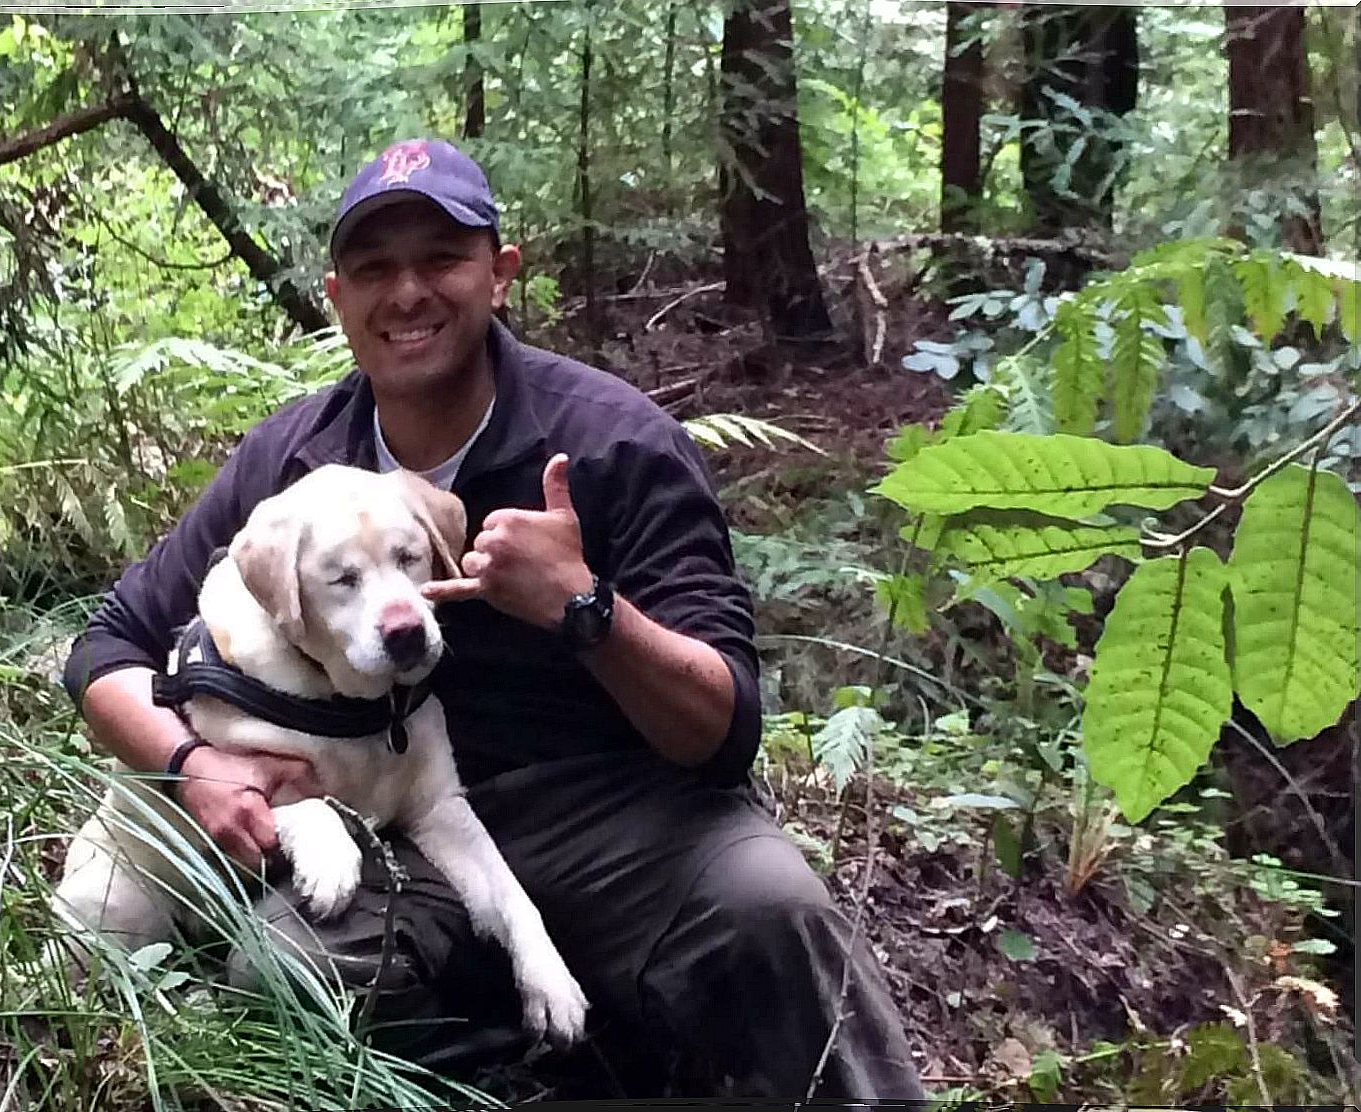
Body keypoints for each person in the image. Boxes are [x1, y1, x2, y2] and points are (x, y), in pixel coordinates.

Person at [59, 137, 926, 1102]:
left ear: (499, 275)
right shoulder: (295, 468)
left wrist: (585, 609)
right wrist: (194, 766)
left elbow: (723, 731)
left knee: (773, 908)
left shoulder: (614, 442)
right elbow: (106, 646)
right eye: (375, 268)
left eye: (442, 258)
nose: (409, 292)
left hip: (612, 810)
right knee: (286, 973)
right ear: (338, 298)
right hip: (395, 829)